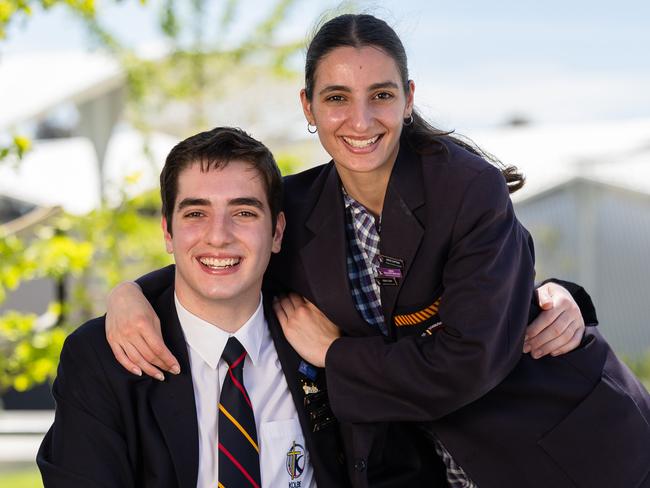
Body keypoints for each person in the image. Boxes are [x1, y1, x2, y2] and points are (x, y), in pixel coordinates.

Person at [104, 13, 650, 488]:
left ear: (408, 98)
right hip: (425, 465)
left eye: (381, 96)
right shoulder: (297, 204)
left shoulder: (465, 187)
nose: (360, 121)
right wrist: (130, 295)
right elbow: (223, 256)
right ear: (308, 105)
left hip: (557, 443)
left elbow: (468, 362)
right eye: (337, 98)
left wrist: (335, 355)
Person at [37, 127, 350, 488]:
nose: (218, 236)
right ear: (168, 233)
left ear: (277, 232)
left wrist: (339, 355)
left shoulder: (324, 337)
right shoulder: (100, 359)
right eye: (196, 214)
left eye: (244, 213)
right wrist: (128, 290)